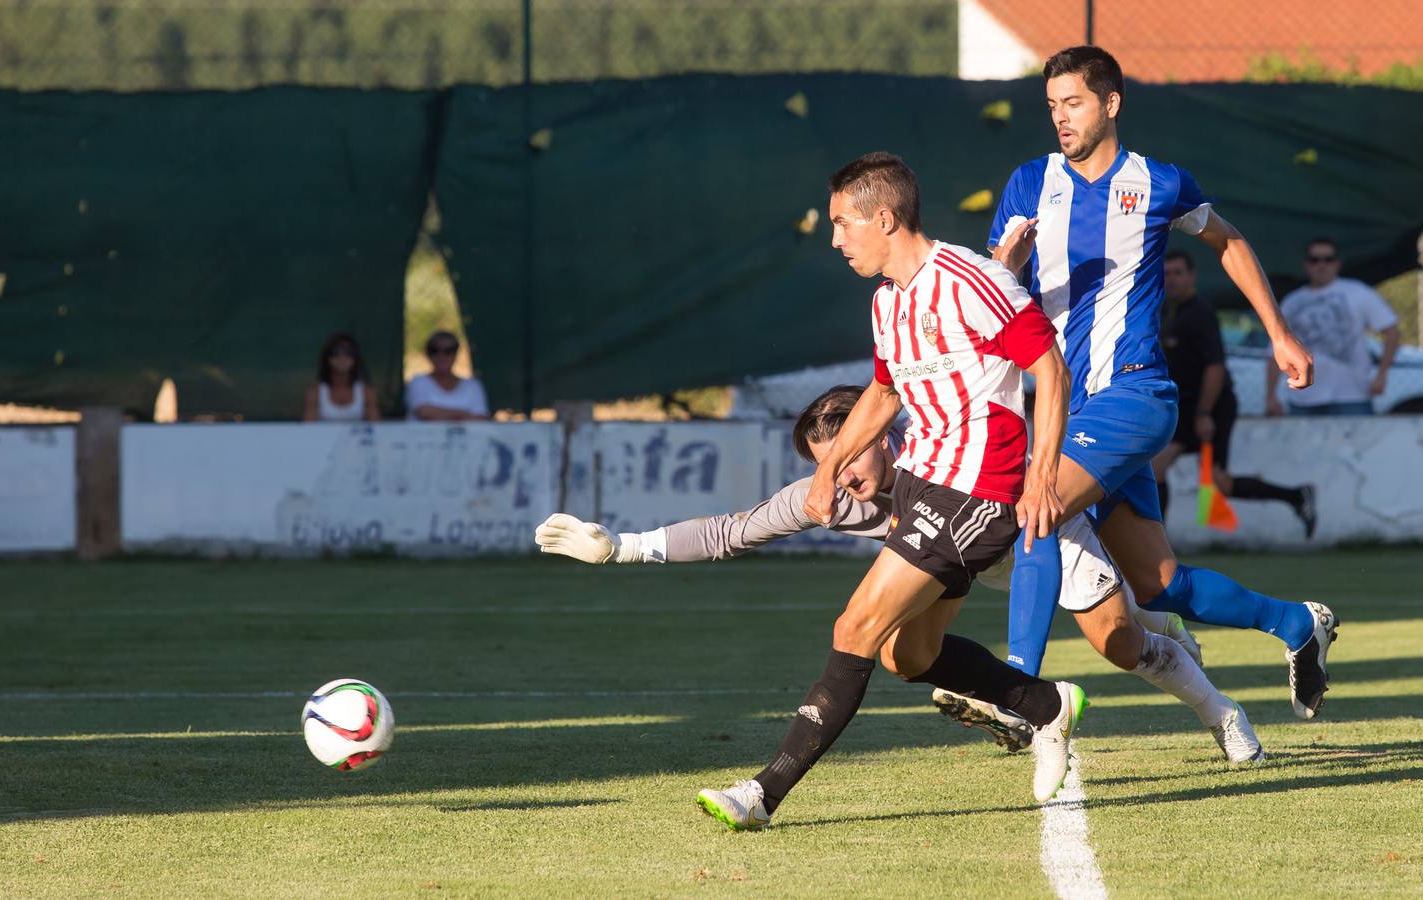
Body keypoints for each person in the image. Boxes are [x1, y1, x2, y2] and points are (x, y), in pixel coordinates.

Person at [656, 151, 1080, 831]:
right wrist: (827, 469)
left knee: (854, 626)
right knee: (904, 655)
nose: (833, 238)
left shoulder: (974, 279)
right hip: (923, 488)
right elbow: (884, 393)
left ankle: (763, 793)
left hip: (978, 490)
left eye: (841, 223)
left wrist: (1042, 475)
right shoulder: (887, 302)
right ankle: (1044, 707)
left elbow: (1049, 369)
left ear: (884, 218)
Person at [536, 385, 1261, 770]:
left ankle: (1221, 712)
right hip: (963, 567)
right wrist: (621, 548)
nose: (841, 476)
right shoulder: (831, 493)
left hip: (1033, 535)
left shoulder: (943, 451)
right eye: (827, 464)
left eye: (849, 454)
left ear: (883, 435)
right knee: (899, 653)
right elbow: (732, 531)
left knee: (1118, 645)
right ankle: (1029, 702)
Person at [988, 46, 1338, 720]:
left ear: (1110, 104)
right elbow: (998, 290)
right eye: (1053, 106)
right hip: (1066, 406)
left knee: (1036, 507)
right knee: (1161, 585)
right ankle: (1296, 624)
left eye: (1075, 103)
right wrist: (1008, 262)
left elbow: (1228, 242)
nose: (1061, 118)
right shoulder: (1029, 182)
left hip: (1135, 395)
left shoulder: (1158, 182)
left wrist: (1279, 332)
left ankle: (1017, 687)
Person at [1153, 250, 1316, 535]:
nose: (1173, 280)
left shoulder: (1201, 313)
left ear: (1191, 276)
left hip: (1211, 407)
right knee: (1158, 470)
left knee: (1218, 484)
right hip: (1185, 407)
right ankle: (1157, 546)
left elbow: (1215, 367)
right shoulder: (1166, 311)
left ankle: (1296, 496)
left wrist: (1205, 413)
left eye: (1178, 273)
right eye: (1167, 274)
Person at [1266, 237, 1401, 417]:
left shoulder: (1358, 292)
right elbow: (1275, 350)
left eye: (1328, 259)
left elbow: (1392, 332)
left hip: (1353, 397)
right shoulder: (1292, 302)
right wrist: (1270, 397)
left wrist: (1382, 374)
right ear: (1306, 265)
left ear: (1337, 263)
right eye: (1315, 260)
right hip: (1303, 399)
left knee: (1358, 445)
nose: (1322, 265)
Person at [407, 330, 490, 421]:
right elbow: (424, 412)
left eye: (449, 351)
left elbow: (481, 418)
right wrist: (463, 415)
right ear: (427, 354)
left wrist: (443, 414)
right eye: (434, 350)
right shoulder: (418, 382)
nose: (441, 356)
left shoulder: (473, 386)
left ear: (456, 353)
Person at [303, 333, 381, 422]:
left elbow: (377, 429)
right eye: (336, 353)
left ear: (355, 358)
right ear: (327, 358)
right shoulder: (315, 392)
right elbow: (307, 431)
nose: (342, 358)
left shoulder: (366, 392)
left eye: (348, 352)